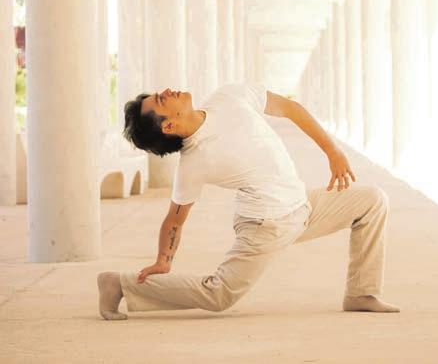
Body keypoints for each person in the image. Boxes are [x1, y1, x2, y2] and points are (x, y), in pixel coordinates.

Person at [97, 84, 400, 320]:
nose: (166, 91)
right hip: (264, 225)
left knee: (372, 201)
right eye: (161, 100)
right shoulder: (194, 161)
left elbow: (291, 108)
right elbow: (175, 218)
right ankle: (118, 284)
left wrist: (333, 152)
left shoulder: (229, 96)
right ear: (168, 127)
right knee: (219, 295)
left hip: (303, 208)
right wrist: (164, 260)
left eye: (159, 94)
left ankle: (361, 294)